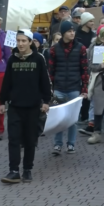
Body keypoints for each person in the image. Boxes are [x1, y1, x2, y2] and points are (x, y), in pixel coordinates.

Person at [0, 29, 51, 183]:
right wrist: (2, 102)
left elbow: (45, 81)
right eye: (18, 41)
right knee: (13, 139)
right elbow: (7, 82)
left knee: (30, 139)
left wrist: (46, 101)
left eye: (24, 41)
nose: (20, 44)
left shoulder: (38, 59)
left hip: (33, 106)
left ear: (30, 42)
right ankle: (14, 170)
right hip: (15, 106)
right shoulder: (12, 60)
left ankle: (27, 169)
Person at [48, 21, 89, 155]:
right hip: (59, 87)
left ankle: (71, 144)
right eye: (69, 31)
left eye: (73, 31)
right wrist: (51, 88)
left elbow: (84, 70)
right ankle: (58, 144)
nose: (72, 33)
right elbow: (51, 70)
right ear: (64, 32)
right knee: (59, 118)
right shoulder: (54, 49)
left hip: (74, 87)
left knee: (73, 118)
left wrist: (84, 89)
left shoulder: (81, 48)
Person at [0, 29, 10, 140]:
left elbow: (8, 55)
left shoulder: (4, 36)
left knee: (0, 101)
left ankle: (0, 128)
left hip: (1, 72)